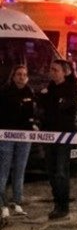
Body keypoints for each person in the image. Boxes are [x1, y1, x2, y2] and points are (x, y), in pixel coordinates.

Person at [39, 59, 77, 219]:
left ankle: (63, 206)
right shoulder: (49, 89)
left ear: (64, 72)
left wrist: (54, 103)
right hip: (49, 136)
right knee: (51, 171)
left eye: (56, 70)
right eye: (51, 69)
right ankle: (57, 202)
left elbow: (63, 106)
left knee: (61, 172)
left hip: (64, 137)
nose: (52, 72)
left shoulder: (70, 89)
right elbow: (43, 107)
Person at [0, 64, 38, 220]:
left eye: (24, 74)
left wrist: (33, 125)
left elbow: (32, 113)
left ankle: (17, 202)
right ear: (13, 76)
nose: (22, 77)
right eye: (19, 74)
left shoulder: (30, 92)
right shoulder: (5, 92)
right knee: (3, 170)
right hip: (7, 136)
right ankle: (2, 204)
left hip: (25, 136)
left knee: (20, 170)